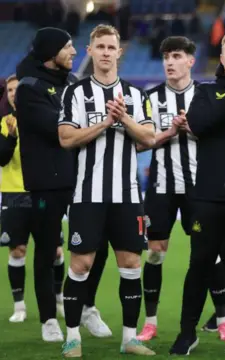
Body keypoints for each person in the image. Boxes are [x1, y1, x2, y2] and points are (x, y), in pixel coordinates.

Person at [57, 24, 156, 357]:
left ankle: (129, 339)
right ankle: (72, 336)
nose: (105, 52)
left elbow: (150, 138)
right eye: (99, 46)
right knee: (81, 265)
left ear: (119, 52)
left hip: (127, 196)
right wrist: (103, 123)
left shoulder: (135, 95)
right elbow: (66, 138)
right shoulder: (75, 93)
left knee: (131, 263)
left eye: (110, 47)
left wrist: (123, 118)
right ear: (90, 51)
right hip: (88, 194)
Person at [14, 26, 111, 342]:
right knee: (48, 250)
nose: (73, 52)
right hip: (46, 183)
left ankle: (85, 307)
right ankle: (47, 320)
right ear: (50, 51)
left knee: (98, 245)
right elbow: (58, 130)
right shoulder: (29, 87)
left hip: (82, 178)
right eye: (68, 47)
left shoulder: (71, 83)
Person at [136, 35, 225, 343]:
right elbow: (139, 143)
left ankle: (223, 319)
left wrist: (194, 128)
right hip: (161, 188)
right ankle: (150, 322)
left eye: (176, 56)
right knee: (154, 254)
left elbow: (222, 136)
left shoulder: (206, 95)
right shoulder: (149, 98)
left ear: (191, 60)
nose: (169, 63)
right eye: (166, 57)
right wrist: (170, 131)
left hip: (199, 188)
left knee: (209, 253)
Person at [168, 30, 225, 356]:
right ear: (221, 58)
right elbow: (198, 125)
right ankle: (187, 332)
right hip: (208, 196)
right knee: (200, 265)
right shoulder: (206, 92)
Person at [0, 75, 63, 323]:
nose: (14, 93)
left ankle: (58, 299)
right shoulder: (4, 123)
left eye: (18, 89)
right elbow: (2, 158)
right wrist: (12, 135)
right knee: (18, 250)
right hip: (14, 194)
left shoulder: (43, 120)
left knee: (55, 251)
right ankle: (19, 306)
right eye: (10, 90)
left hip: (44, 192)